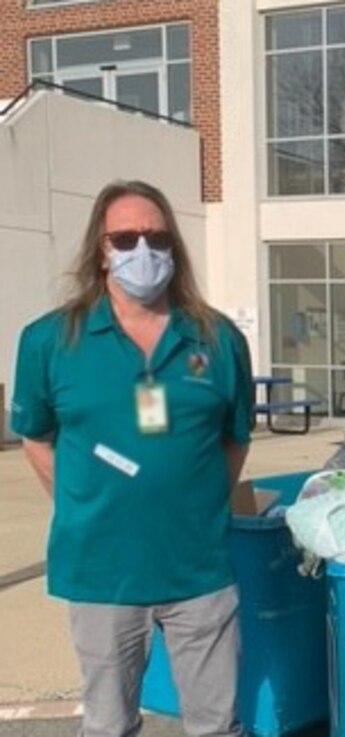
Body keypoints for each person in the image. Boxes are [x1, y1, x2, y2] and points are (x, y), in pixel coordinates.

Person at [12, 181, 253, 737]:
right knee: (108, 725)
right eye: (124, 238)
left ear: (174, 247)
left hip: (199, 573)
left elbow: (234, 438)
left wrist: (196, 505)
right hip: (101, 575)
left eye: (156, 237)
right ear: (100, 249)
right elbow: (35, 436)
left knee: (217, 726)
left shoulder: (217, 339)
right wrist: (84, 503)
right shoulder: (50, 341)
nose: (141, 251)